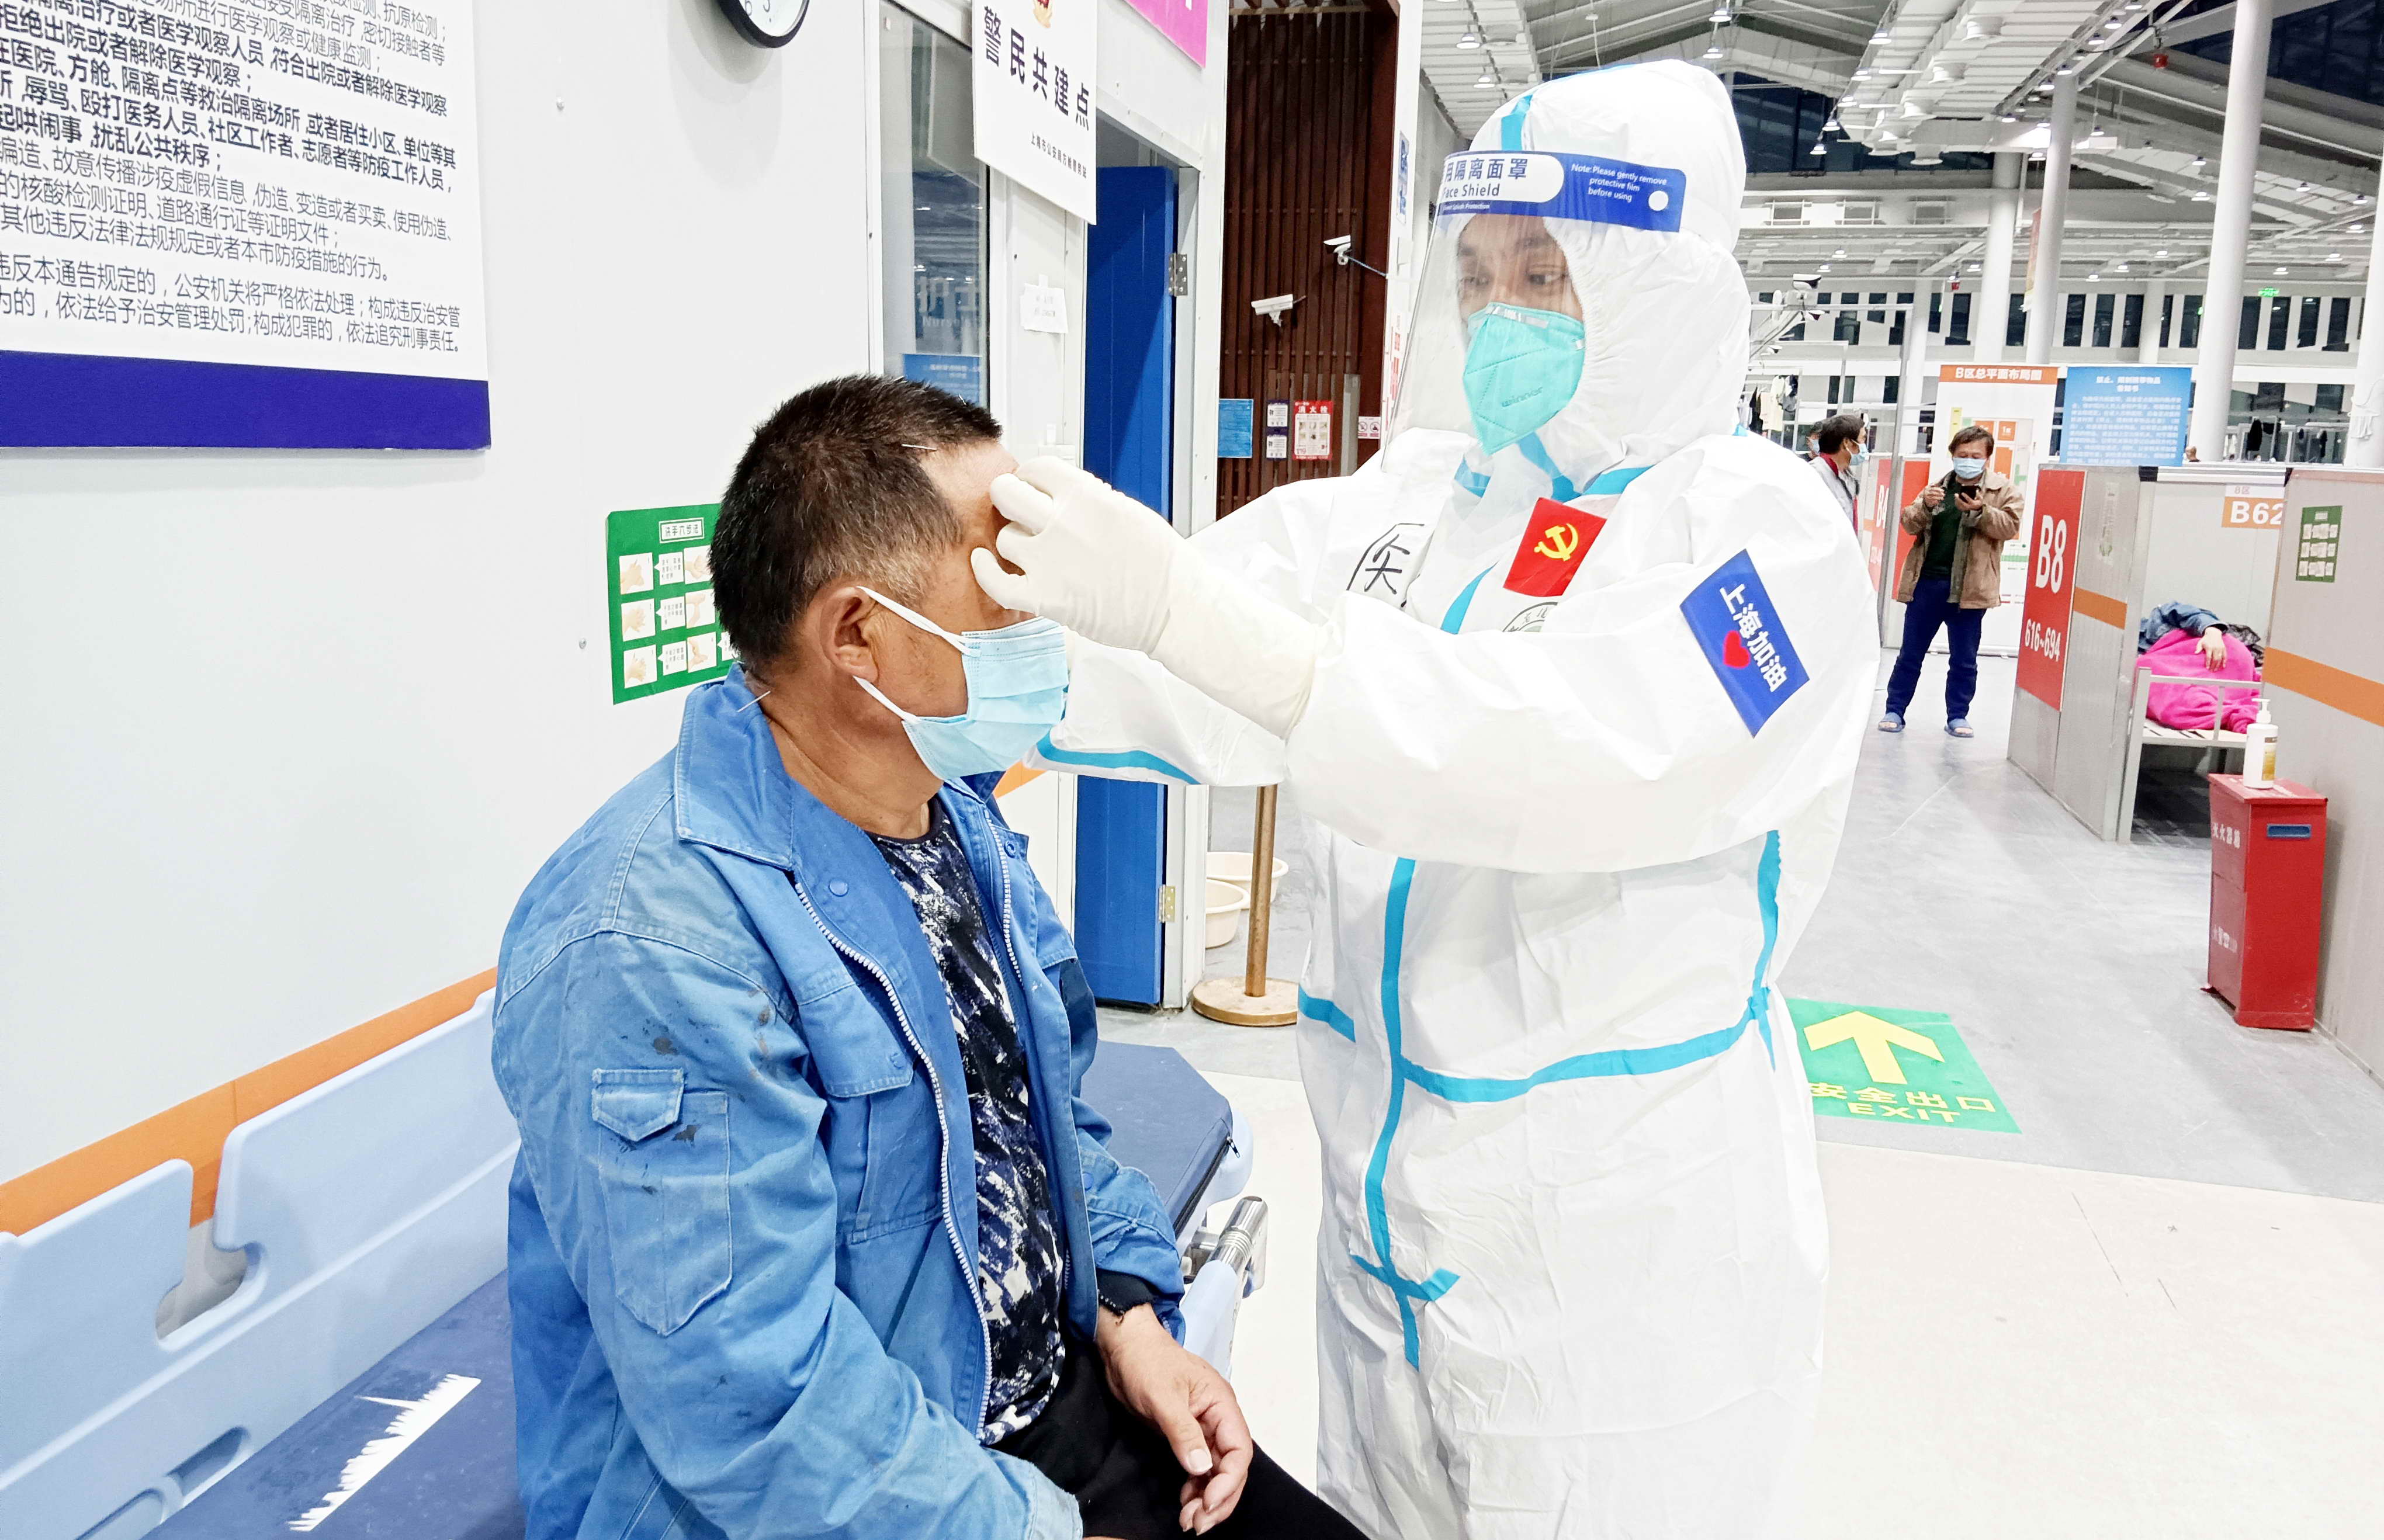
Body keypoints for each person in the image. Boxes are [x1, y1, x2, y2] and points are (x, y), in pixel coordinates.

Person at [975, 63, 1874, 1540]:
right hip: (1387, 1216)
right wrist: (990, 682)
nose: (1502, 310)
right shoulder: (1420, 502)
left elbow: (1574, 753)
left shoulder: (1758, 536)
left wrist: (1210, 630)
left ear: (1656, 283)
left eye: (1546, 273)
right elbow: (1195, 650)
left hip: (1616, 1247)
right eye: (1476, 274)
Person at [493, 376, 1367, 1540]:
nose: (1044, 626)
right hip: (835, 1498)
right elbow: (756, 1401)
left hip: (1022, 1403)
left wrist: (1127, 1313)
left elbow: (1044, 1115)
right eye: (1005, 589)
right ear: (857, 634)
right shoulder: (653, 942)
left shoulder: (954, 818)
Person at [1880, 423, 2022, 738]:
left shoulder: (2004, 491)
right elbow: (1909, 524)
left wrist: (1981, 511)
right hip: (1927, 585)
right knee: (1910, 654)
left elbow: (2010, 528)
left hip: (1971, 589)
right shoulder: (1937, 488)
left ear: (1987, 458)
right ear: (1953, 455)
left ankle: (1958, 715)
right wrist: (1925, 506)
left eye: (1975, 456)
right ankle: (1895, 709)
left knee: (1964, 659)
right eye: (1962, 455)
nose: (1968, 460)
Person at [1808, 412, 1866, 527]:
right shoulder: (1816, 474)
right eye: (1862, 439)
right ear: (1847, 443)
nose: (1864, 445)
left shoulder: (1847, 476)